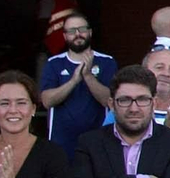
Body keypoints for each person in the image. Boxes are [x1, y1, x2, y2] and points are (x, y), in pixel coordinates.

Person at [40, 15, 117, 161]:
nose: (77, 34)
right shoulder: (54, 63)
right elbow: (47, 101)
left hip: (99, 141)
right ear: (65, 36)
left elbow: (109, 101)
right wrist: (74, 81)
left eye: (82, 29)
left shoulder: (107, 61)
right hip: (61, 143)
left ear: (90, 32)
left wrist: (87, 76)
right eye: (72, 31)